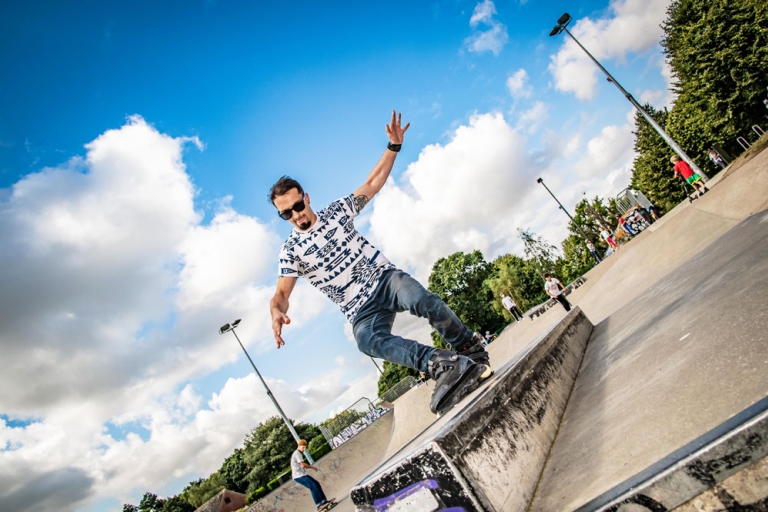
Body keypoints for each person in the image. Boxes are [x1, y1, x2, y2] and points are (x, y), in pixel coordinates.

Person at [268, 111, 491, 416]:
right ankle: (442, 365)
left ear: (306, 197)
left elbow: (372, 184)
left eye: (297, 206)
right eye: (287, 214)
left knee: (421, 298)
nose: (296, 216)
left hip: (383, 279)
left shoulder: (336, 212)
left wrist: (393, 146)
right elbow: (282, 293)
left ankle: (468, 348)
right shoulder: (290, 250)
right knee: (367, 340)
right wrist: (276, 311)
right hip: (360, 309)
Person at [291, 440, 328, 510]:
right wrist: (312, 467)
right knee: (313, 486)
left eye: (305, 448)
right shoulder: (297, 454)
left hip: (302, 474)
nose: (304, 449)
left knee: (316, 484)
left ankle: (323, 501)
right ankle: (319, 505)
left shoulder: (298, 453)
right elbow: (303, 465)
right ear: (298, 446)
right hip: (298, 476)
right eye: (302, 447)